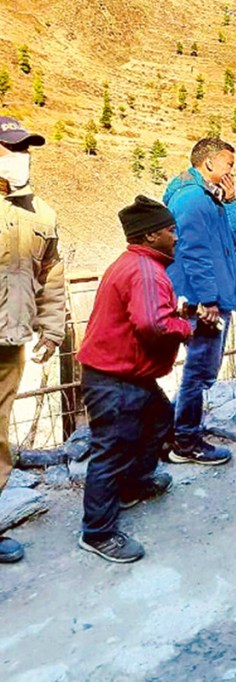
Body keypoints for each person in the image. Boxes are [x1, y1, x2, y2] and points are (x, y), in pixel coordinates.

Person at [76, 196, 192, 563]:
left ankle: (133, 485)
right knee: (111, 450)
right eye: (171, 231)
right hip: (115, 378)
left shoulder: (138, 264)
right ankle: (98, 532)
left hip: (126, 374)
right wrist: (184, 326)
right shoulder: (144, 270)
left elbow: (148, 314)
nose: (176, 238)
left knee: (159, 417)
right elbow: (153, 324)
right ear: (151, 235)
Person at [0, 116, 65, 564]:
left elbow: (52, 277)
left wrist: (52, 329)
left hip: (9, 343)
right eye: (10, 148)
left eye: (25, 149)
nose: (20, 158)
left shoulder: (41, 214)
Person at [163, 137, 236, 466]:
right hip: (203, 301)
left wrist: (232, 201)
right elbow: (195, 253)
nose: (231, 171)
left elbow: (231, 236)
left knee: (201, 369)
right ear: (209, 164)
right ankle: (185, 442)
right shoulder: (193, 200)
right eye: (228, 164)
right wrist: (208, 300)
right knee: (199, 371)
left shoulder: (208, 197)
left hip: (212, 295)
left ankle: (177, 430)